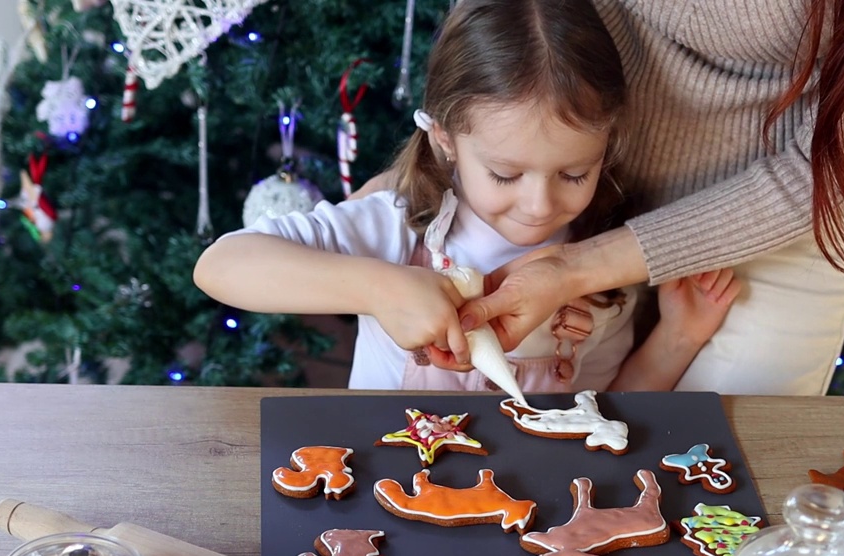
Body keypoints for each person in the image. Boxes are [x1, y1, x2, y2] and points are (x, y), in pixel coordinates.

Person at [355, 0, 844, 396]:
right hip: (575, 164)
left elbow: (821, 175)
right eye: (503, 179)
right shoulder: (466, 208)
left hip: (765, 214)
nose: (529, 208)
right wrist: (464, 161)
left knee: (711, 470)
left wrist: (579, 267)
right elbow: (249, 261)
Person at [193, 0, 739, 394]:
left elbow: (610, 414)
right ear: (445, 140)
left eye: (574, 174)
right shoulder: (397, 225)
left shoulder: (601, 259)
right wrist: (379, 287)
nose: (539, 205)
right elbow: (220, 265)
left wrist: (676, 339)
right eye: (504, 174)